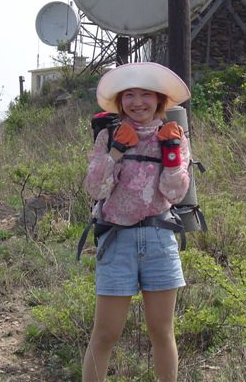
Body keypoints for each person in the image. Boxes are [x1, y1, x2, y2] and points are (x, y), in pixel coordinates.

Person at [82, 62, 191, 382]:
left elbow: (175, 193)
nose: (137, 102)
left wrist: (171, 153)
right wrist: (117, 151)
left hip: (159, 239)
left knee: (162, 332)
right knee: (105, 334)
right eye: (129, 95)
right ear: (120, 101)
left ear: (159, 99)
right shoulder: (109, 135)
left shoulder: (173, 136)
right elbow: (95, 189)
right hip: (117, 240)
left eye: (146, 94)